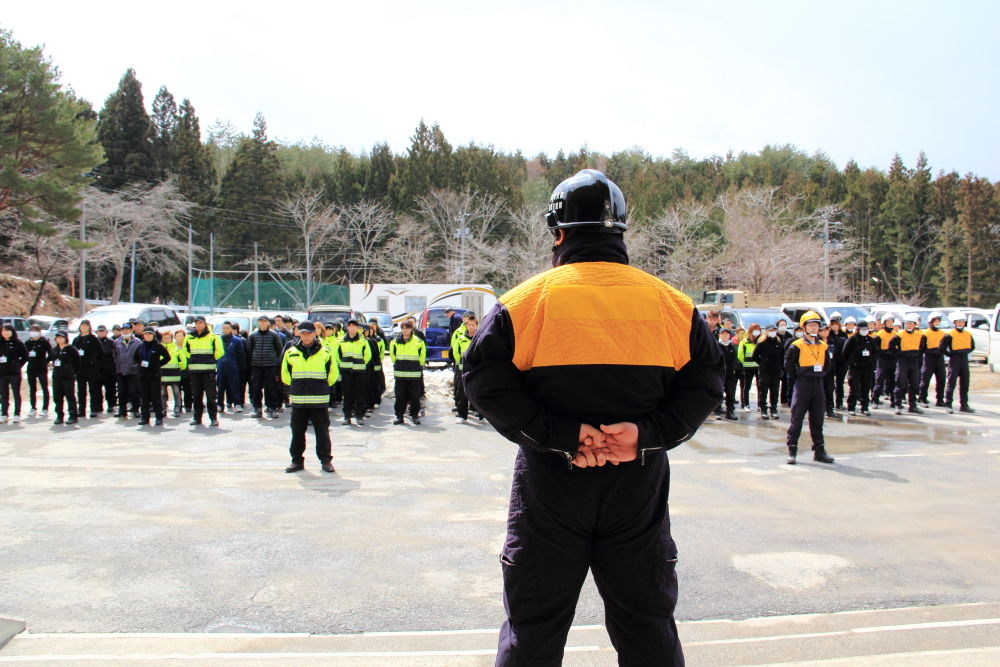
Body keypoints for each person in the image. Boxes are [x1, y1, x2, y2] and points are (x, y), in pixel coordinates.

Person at [462, 169, 723, 665]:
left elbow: (482, 379)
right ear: (620, 233)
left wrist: (564, 437)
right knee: (647, 627)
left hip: (550, 485)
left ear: (558, 233)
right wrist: (646, 436)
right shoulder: (673, 304)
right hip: (637, 486)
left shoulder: (524, 303)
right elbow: (707, 380)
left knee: (533, 630)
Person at [281, 321, 338, 473]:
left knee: (322, 432)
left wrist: (322, 387)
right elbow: (285, 375)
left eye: (309, 333)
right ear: (299, 333)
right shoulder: (291, 352)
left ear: (315, 333)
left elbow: (333, 374)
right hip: (299, 400)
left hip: (319, 400)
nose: (306, 336)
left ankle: (326, 461)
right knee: (297, 432)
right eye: (303, 333)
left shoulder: (326, 352)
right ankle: (296, 461)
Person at [784, 311, 835, 465]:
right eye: (810, 325)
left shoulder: (823, 345)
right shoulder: (796, 345)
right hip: (802, 384)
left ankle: (819, 451)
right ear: (804, 327)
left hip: (818, 385)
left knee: (817, 419)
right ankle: (792, 450)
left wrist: (818, 374)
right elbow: (789, 366)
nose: (813, 328)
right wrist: (801, 375)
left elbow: (827, 366)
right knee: (797, 419)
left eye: (816, 325)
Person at [184, 316, 224, 427]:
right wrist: (192, 359)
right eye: (196, 323)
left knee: (211, 396)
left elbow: (220, 351)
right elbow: (185, 350)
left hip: (208, 371)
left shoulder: (213, 337)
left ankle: (213, 418)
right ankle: (197, 418)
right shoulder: (189, 337)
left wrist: (210, 359)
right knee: (196, 396)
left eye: (201, 323)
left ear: (205, 324)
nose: (198, 325)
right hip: (195, 371)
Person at [390, 321, 426, 425]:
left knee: (415, 396)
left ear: (411, 329)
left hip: (414, 374)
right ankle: (399, 416)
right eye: (403, 328)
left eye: (407, 328)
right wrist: (397, 363)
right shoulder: (395, 341)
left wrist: (418, 366)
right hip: (400, 374)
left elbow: (422, 356)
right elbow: (392, 355)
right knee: (400, 397)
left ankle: (414, 415)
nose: (405, 330)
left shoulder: (418, 341)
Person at [335, 319, 371, 426]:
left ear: (357, 328)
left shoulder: (363, 341)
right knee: (347, 395)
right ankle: (347, 416)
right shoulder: (341, 340)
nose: (352, 328)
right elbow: (337, 355)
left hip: (359, 371)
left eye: (354, 326)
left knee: (359, 394)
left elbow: (367, 355)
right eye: (350, 326)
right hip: (346, 371)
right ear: (347, 327)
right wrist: (342, 363)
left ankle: (359, 416)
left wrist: (361, 363)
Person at [248, 316, 285, 419]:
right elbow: (249, 350)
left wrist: (275, 362)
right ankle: (257, 409)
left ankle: (272, 408)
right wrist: (254, 360)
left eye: (264, 322)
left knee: (271, 388)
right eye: (260, 322)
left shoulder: (274, 335)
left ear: (268, 323)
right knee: (256, 388)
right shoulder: (253, 335)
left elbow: (279, 350)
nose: (262, 324)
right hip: (257, 366)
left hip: (270, 366)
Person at [132, 327, 170, 425]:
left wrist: (158, 364)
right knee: (144, 397)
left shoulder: (158, 346)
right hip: (143, 375)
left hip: (155, 375)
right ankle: (144, 418)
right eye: (146, 334)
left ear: (153, 335)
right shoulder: (140, 346)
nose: (148, 336)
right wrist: (142, 364)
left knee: (155, 396)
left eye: (150, 334)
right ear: (143, 335)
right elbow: (135, 358)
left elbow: (167, 357)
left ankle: (159, 417)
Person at [890, 313, 925, 415]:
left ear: (915, 325)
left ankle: (912, 405)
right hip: (902, 362)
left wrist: (917, 355)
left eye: (911, 324)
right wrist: (899, 354)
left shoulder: (920, 335)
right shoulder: (899, 335)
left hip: (914, 362)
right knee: (900, 383)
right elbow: (891, 347)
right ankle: (897, 404)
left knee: (914, 383)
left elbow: (923, 347)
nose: (909, 325)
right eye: (907, 324)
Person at [941, 312, 975, 414]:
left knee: (965, 383)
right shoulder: (949, 335)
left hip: (964, 360)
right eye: (958, 322)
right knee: (951, 383)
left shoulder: (968, 334)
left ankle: (964, 405)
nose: (960, 324)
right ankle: (948, 405)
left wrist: (964, 352)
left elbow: (972, 346)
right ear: (955, 323)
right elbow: (941, 348)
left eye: (962, 322)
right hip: (954, 361)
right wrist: (950, 354)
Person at [843, 319, 878, 416]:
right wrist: (850, 363)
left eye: (866, 329)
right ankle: (851, 407)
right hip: (855, 368)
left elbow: (876, 353)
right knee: (854, 388)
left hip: (867, 368)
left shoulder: (870, 340)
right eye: (862, 329)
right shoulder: (852, 339)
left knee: (866, 388)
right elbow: (845, 352)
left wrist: (872, 364)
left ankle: (865, 407)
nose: (864, 331)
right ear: (858, 329)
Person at [71, 319, 104, 419]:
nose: (84, 327)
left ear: (89, 327)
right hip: (80, 369)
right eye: (82, 325)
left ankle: (94, 409)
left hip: (91, 368)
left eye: (86, 326)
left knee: (93, 389)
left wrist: (95, 363)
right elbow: (73, 353)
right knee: (81, 390)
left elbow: (100, 353)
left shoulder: (93, 339)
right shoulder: (76, 340)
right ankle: (81, 410)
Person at [49, 329, 80, 425]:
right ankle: (59, 415)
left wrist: (72, 372)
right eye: (58, 337)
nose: (59, 339)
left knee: (70, 396)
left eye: (62, 337)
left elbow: (77, 363)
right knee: (57, 397)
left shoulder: (71, 349)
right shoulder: (55, 350)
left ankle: (72, 415)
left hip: (68, 377)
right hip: (57, 377)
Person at [752, 325, 782, 419]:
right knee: (763, 389)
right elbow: (755, 355)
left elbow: (782, 355)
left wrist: (780, 367)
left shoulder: (779, 341)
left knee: (775, 390)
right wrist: (762, 363)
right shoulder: (762, 342)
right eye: (770, 330)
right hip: (765, 369)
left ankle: (773, 409)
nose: (772, 332)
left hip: (776, 370)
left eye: (774, 330)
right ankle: (763, 408)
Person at [216, 321, 247, 413]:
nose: (226, 330)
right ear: (222, 329)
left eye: (227, 328)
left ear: (230, 329)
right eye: (224, 328)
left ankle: (237, 404)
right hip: (221, 366)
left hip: (233, 367)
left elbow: (241, 356)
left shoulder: (237, 341)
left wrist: (241, 368)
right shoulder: (217, 340)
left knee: (235, 386)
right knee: (220, 387)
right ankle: (220, 405)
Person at [452, 315, 478, 424]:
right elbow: (456, 352)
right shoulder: (461, 339)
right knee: (463, 393)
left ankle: (480, 413)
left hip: (476, 370)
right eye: (470, 325)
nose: (471, 327)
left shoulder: (479, 338)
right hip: (463, 370)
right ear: (466, 325)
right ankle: (462, 415)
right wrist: (459, 365)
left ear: (477, 326)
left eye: (473, 325)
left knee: (477, 392)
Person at [918, 311, 947, 408]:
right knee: (925, 379)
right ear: (930, 322)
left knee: (941, 379)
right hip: (929, 358)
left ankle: (940, 399)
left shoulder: (943, 333)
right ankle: (922, 398)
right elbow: (922, 348)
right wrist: (931, 351)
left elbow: (945, 347)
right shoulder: (925, 333)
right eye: (935, 321)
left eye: (938, 321)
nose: (937, 323)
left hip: (939, 359)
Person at [0, 324, 28, 423]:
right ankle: (4, 414)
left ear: (12, 332)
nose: (5, 332)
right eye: (3, 331)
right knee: (4, 394)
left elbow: (25, 356)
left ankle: (17, 414)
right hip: (2, 373)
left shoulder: (18, 343)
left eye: (7, 330)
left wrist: (17, 365)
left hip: (14, 373)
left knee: (16, 393)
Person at [113, 322, 141, 419]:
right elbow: (115, 355)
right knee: (121, 392)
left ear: (132, 330)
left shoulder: (138, 342)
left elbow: (140, 357)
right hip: (121, 371)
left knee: (133, 391)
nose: (126, 331)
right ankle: (122, 410)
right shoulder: (117, 342)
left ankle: (136, 410)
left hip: (133, 371)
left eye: (128, 329)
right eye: (124, 329)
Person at [871, 314, 898, 409]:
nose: (890, 324)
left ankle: (894, 401)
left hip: (892, 360)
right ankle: (875, 400)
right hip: (882, 360)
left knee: (893, 381)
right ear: (884, 323)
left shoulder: (895, 334)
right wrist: (883, 353)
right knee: (879, 380)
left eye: (891, 322)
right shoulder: (879, 335)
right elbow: (875, 349)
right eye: (888, 322)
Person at [25, 324, 52, 418]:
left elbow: (51, 353)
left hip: (41, 368)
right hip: (31, 368)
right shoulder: (28, 342)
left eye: (36, 330)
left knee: (44, 388)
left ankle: (45, 408)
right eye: (32, 330)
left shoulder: (44, 341)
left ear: (40, 331)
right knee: (32, 389)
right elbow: (24, 354)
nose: (34, 332)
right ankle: (33, 408)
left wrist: (46, 361)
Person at [160, 329, 185, 417]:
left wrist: (181, 367)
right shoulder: (159, 347)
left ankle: (177, 408)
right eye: (164, 338)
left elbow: (183, 360)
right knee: (162, 393)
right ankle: (163, 409)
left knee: (176, 392)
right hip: (162, 374)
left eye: (168, 338)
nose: (166, 339)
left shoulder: (176, 348)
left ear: (171, 338)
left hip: (174, 374)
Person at [717, 327, 739, 420]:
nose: (725, 336)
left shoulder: (732, 347)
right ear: (719, 335)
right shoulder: (716, 346)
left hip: (730, 374)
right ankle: (717, 411)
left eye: (726, 334)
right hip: (718, 374)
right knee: (718, 393)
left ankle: (730, 411)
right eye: (723, 334)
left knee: (730, 393)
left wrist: (734, 369)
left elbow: (735, 360)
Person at [828, 314, 849, 410]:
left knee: (840, 384)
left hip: (842, 362)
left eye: (837, 324)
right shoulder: (828, 334)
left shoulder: (843, 334)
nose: (835, 326)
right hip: (831, 362)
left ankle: (839, 403)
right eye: (833, 324)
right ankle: (829, 404)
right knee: (830, 385)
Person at [737, 324, 760, 411]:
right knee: (747, 386)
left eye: (758, 330)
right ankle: (746, 404)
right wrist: (745, 363)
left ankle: (760, 405)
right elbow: (740, 355)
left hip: (758, 367)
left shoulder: (761, 340)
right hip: (748, 367)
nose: (756, 332)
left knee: (760, 387)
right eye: (755, 330)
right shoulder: (744, 342)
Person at [818, 324, 839, 418]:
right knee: (819, 391)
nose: (825, 332)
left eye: (827, 330)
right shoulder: (817, 342)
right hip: (819, 370)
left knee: (829, 390)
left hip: (830, 370)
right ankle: (819, 410)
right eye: (823, 330)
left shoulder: (832, 341)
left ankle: (829, 409)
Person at [96, 325, 117, 413]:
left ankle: (111, 405)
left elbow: (114, 354)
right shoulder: (95, 341)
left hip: (109, 369)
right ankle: (98, 406)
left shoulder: (111, 342)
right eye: (99, 331)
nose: (101, 333)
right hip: (97, 369)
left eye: (103, 331)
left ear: (106, 332)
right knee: (97, 390)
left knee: (110, 389)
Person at [174, 329, 193, 413]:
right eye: (177, 336)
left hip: (187, 372)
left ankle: (188, 406)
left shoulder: (187, 347)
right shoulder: (173, 347)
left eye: (181, 336)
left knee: (187, 390)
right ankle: (178, 406)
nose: (179, 338)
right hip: (176, 372)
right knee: (177, 391)